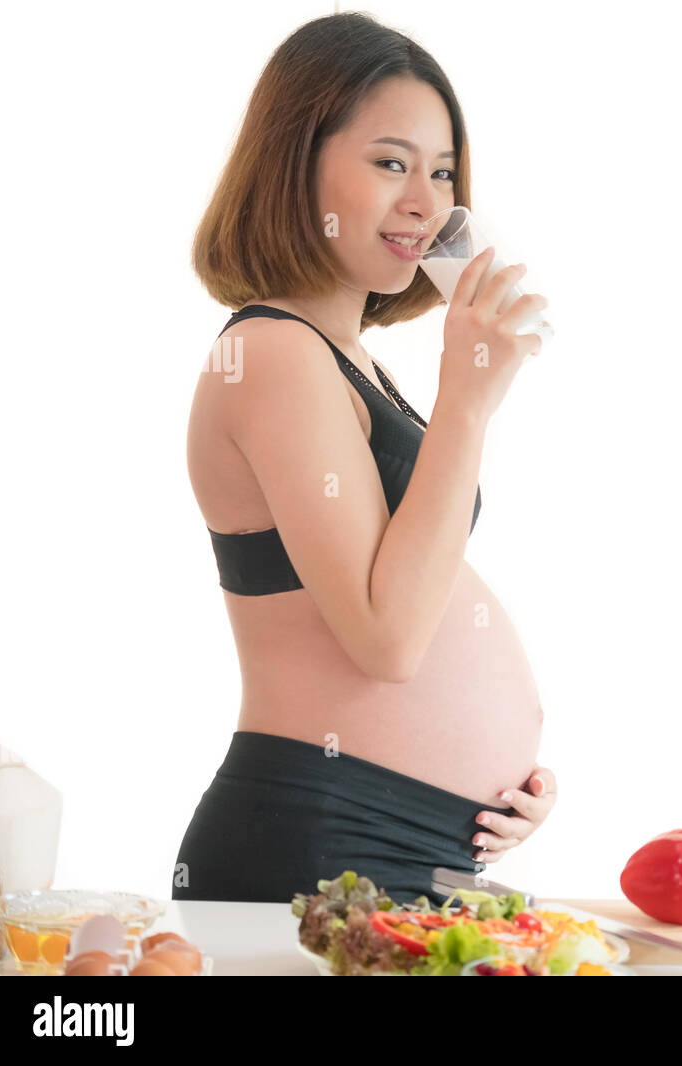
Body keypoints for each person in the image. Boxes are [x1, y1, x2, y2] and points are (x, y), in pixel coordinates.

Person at [173, 12, 554, 905]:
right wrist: (467, 398)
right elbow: (386, 639)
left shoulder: (355, 364)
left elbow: (413, 590)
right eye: (391, 163)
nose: (427, 202)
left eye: (443, 170)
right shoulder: (269, 355)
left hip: (412, 845)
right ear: (297, 161)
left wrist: (499, 783)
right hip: (322, 843)